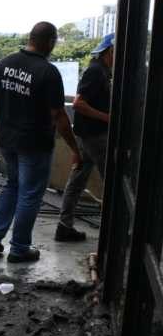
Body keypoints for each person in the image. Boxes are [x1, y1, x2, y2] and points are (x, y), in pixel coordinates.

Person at [0, 21, 82, 263]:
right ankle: (19, 248)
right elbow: (59, 116)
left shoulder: (4, 64)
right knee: (30, 194)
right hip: (34, 143)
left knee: (13, 185)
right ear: (50, 42)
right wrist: (75, 148)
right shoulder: (48, 72)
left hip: (7, 139)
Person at [55, 33, 114, 242]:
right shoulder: (96, 72)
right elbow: (79, 103)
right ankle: (113, 231)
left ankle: (64, 226)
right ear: (110, 51)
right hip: (95, 137)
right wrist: (108, 118)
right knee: (114, 183)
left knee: (76, 182)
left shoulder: (102, 72)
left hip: (86, 136)